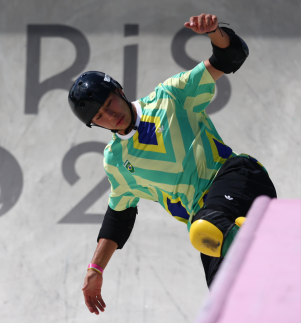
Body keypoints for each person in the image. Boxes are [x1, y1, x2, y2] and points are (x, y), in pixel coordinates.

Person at [67, 13, 277, 315]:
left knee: (206, 225)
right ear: (95, 125)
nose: (111, 115)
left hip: (237, 177)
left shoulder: (170, 97)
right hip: (208, 230)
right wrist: (95, 269)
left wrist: (215, 32)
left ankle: (272, 250)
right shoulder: (115, 162)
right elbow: (119, 216)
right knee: (228, 306)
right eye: (99, 116)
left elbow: (230, 56)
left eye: (109, 103)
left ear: (119, 92)